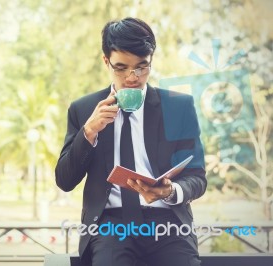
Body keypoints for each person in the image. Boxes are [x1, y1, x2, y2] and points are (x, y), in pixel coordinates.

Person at [55, 17, 206, 266]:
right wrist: (89, 131)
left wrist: (169, 191)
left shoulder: (178, 107)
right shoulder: (83, 110)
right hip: (111, 226)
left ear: (151, 61)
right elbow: (65, 181)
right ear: (106, 61)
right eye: (121, 67)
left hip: (167, 222)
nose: (132, 77)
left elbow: (197, 178)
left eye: (141, 67)